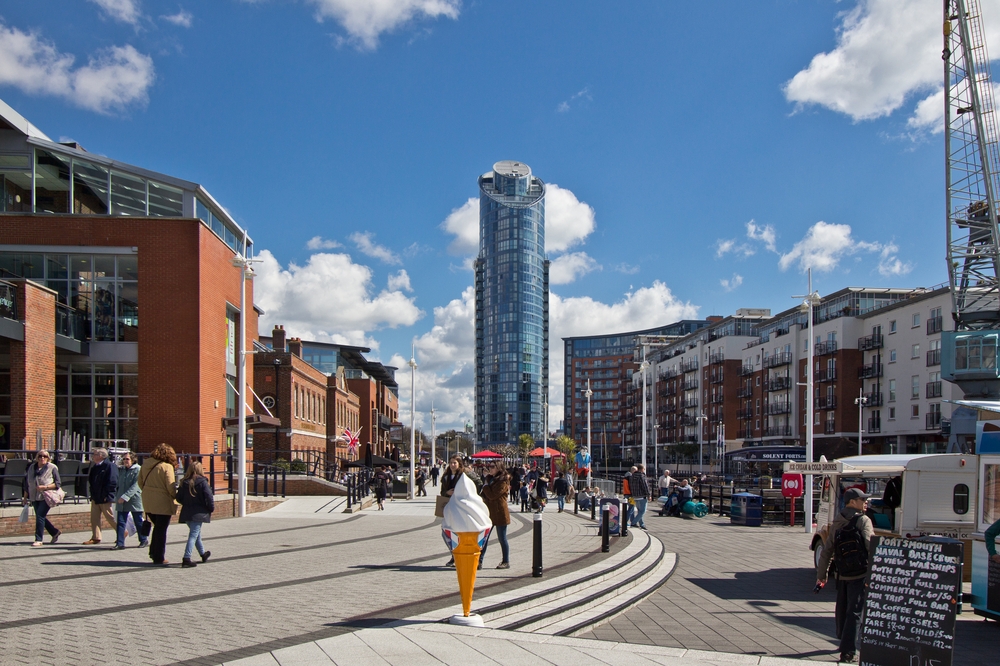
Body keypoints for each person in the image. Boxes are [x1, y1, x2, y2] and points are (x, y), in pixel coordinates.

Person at [815, 488, 874, 664]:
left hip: (843, 574)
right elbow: (871, 546)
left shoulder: (837, 522)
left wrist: (822, 575)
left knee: (843, 609)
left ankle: (843, 640)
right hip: (860, 574)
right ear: (851, 502)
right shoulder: (864, 520)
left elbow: (827, 551)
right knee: (855, 613)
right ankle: (848, 652)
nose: (866, 502)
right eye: (862, 499)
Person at [139, 443, 179, 565]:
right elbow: (170, 487)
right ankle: (158, 556)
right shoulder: (167, 467)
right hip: (162, 502)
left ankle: (153, 552)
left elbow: (140, 482)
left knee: (157, 528)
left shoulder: (146, 463)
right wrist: (176, 497)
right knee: (161, 530)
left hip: (148, 501)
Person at [439, 456, 480, 566]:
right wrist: (447, 493)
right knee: (446, 532)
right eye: (451, 463)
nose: (453, 465)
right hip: (449, 507)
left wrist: (470, 495)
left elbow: (478, 482)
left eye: (455, 463)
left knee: (459, 532)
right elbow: (442, 491)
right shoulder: (446, 476)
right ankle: (454, 554)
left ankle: (458, 555)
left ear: (459, 464)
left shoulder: (464, 474)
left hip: (461, 508)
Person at [176, 461, 214, 568]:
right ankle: (186, 558)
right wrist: (210, 508)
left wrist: (186, 503)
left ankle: (203, 554)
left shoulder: (184, 482)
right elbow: (209, 497)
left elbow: (178, 497)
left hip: (187, 512)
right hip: (199, 512)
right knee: (193, 535)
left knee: (196, 534)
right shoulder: (203, 482)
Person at [22, 450, 62, 547]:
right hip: (34, 496)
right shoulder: (32, 468)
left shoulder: (52, 468)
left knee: (40, 516)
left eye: (45, 456)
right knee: (40, 517)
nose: (42, 458)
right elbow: (27, 484)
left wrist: (45, 487)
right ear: (37, 458)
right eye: (40, 456)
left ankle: (38, 539)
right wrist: (25, 497)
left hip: (46, 496)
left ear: (48, 458)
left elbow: (58, 484)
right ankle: (54, 532)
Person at [113, 451, 148, 550]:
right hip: (121, 499)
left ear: (133, 460)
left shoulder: (138, 469)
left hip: (134, 499)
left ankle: (143, 539)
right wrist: (118, 495)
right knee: (121, 522)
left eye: (127, 459)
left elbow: (136, 485)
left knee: (138, 521)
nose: (125, 461)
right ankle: (120, 543)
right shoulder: (122, 470)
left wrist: (126, 496)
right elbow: (119, 484)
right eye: (123, 459)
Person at [83, 447, 118, 545]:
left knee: (110, 517)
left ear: (101, 456)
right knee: (94, 518)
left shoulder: (110, 466)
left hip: (105, 497)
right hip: (95, 497)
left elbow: (112, 481)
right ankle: (96, 537)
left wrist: (108, 495)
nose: (93, 456)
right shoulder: (95, 467)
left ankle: (121, 532)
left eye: (95, 454)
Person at [480, 461, 511, 569]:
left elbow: (493, 495)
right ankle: (479, 561)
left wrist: (485, 486)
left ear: (499, 468)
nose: (490, 469)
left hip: (500, 512)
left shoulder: (503, 481)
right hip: (488, 512)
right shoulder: (489, 479)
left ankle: (506, 561)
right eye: (489, 466)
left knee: (502, 538)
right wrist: (485, 485)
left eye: (492, 467)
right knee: (484, 538)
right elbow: (484, 494)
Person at [630, 464, 651, 529]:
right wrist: (648, 494)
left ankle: (642, 524)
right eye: (644, 469)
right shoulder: (642, 476)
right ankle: (633, 522)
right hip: (642, 496)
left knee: (639, 511)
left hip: (635, 496)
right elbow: (645, 486)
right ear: (641, 469)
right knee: (642, 511)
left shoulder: (632, 476)